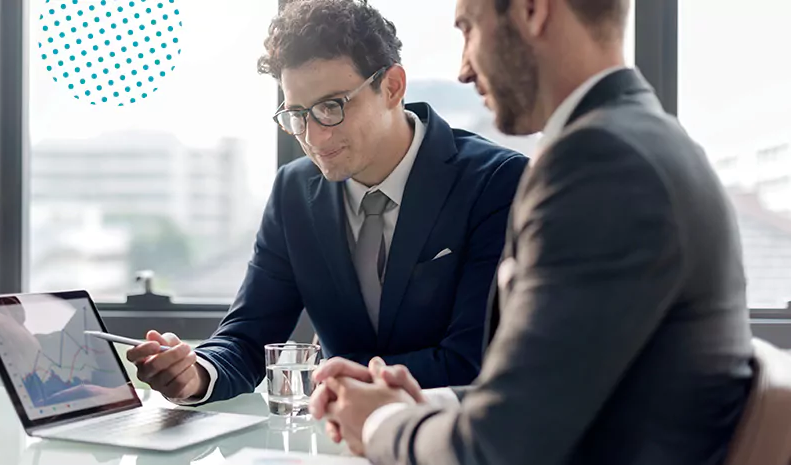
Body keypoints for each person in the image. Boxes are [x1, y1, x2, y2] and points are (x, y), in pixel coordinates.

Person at [310, 0, 755, 463]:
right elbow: (554, 390)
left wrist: (380, 424)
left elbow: (499, 448)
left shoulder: (600, 164)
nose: (463, 69)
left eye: (469, 29)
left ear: (532, 11)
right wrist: (419, 403)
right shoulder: (641, 140)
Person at [125, 0, 527, 406]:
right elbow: (248, 336)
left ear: (392, 87)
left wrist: (335, 381)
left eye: (331, 108)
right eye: (297, 115)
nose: (314, 139)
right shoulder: (294, 192)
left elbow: (473, 362)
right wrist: (195, 373)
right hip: (332, 440)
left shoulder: (496, 182)